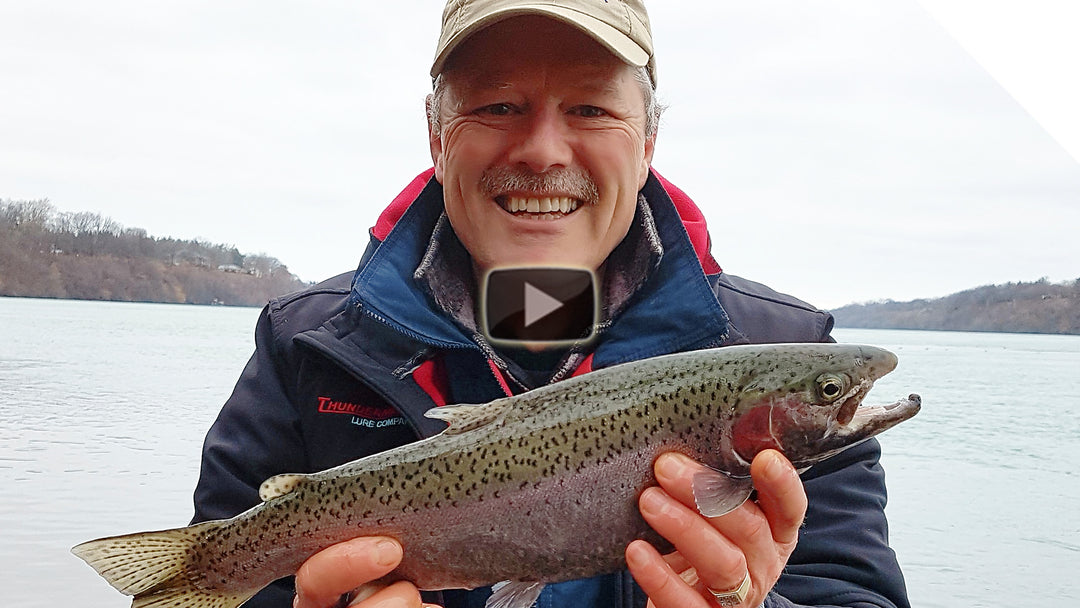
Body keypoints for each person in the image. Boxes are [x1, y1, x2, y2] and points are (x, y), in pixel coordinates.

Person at [192, 1, 911, 607]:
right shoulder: (309, 345)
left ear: (648, 141)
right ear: (438, 139)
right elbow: (212, 575)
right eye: (498, 105)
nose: (541, 149)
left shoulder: (781, 347)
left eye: (591, 107)